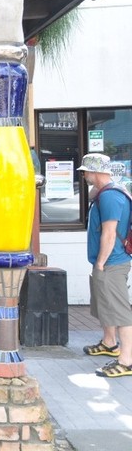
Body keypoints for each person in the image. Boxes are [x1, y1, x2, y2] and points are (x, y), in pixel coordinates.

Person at [78, 153, 132, 377]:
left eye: (86, 172)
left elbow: (109, 234)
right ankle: (109, 343)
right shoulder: (105, 193)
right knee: (105, 306)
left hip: (111, 263)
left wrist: (100, 262)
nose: (83, 176)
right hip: (108, 262)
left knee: (119, 311)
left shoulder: (110, 197)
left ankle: (126, 361)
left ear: (95, 172)